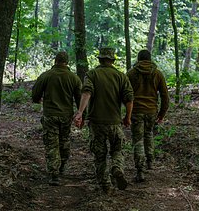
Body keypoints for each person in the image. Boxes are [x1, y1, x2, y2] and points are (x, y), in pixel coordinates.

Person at [74, 47, 134, 194]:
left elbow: (86, 92)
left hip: (97, 122)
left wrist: (80, 112)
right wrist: (128, 117)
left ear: (100, 59)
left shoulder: (92, 74)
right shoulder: (121, 76)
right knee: (117, 150)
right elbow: (129, 99)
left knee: (100, 156)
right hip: (114, 122)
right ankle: (117, 168)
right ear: (112, 60)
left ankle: (106, 186)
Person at [32, 51, 82, 186]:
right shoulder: (74, 78)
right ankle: (62, 167)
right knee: (64, 140)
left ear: (55, 61)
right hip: (66, 116)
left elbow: (35, 94)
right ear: (67, 62)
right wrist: (81, 114)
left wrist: (37, 99)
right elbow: (79, 98)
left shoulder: (46, 75)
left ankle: (54, 174)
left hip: (50, 115)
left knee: (52, 143)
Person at [126, 49, 169, 182]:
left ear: (138, 59)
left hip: (136, 111)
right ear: (150, 59)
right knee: (148, 134)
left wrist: (125, 112)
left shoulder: (131, 74)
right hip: (151, 111)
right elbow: (165, 96)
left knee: (138, 139)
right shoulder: (157, 74)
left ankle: (140, 170)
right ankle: (150, 161)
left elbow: (125, 94)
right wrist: (162, 114)